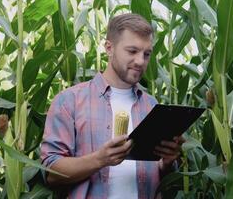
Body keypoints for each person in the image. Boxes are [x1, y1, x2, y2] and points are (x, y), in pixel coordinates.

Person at [40, 13, 185, 199]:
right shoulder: (69, 101)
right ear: (109, 48)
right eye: (132, 51)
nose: (141, 61)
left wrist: (167, 162)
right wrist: (99, 160)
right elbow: (51, 172)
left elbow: (162, 177)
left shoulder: (152, 106)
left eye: (146, 54)